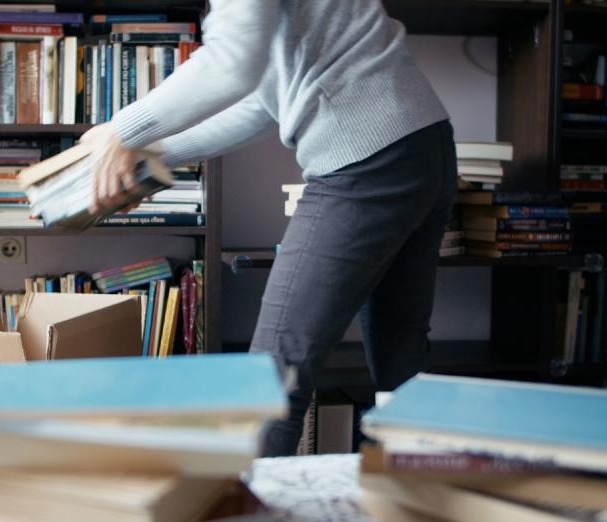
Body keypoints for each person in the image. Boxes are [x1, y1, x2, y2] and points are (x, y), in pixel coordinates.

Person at [83, 0, 457, 457]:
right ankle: (422, 504)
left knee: (274, 373)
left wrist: (122, 131)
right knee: (401, 354)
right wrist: (154, 158)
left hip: (366, 157)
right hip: (421, 141)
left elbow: (228, 64)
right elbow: (261, 103)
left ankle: (249, 518)